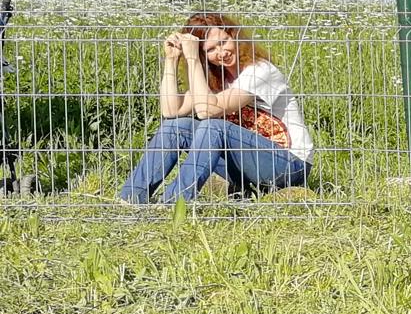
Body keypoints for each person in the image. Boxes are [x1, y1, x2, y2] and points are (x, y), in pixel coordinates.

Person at [119, 12, 315, 203]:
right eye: (210, 50)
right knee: (177, 127)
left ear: (235, 36)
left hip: (289, 164)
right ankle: (131, 198)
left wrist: (193, 58)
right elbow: (171, 111)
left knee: (213, 126)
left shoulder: (260, 71)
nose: (222, 52)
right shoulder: (215, 80)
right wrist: (172, 60)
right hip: (248, 166)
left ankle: (175, 202)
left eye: (224, 42)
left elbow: (207, 111)